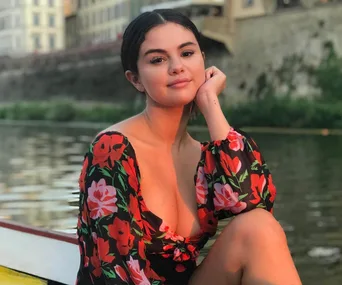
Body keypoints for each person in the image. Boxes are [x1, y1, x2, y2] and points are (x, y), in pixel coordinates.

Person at [76, 9, 302, 285]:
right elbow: (114, 269)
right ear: (135, 79)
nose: (177, 67)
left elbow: (253, 203)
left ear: (203, 62)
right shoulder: (112, 150)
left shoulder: (205, 157)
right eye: (158, 59)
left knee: (258, 227)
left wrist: (210, 104)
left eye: (186, 53)